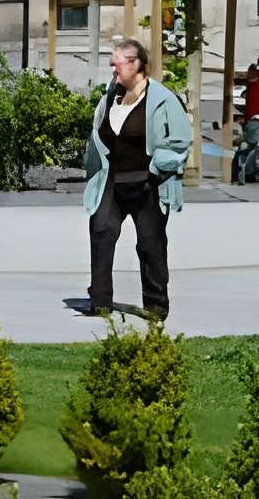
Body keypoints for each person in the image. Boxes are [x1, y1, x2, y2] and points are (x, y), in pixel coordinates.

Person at [80, 36, 189, 321]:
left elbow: (180, 143)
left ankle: (156, 307)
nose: (113, 70)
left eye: (117, 65)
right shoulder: (110, 97)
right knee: (101, 232)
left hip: (148, 183)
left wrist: (156, 171)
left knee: (149, 244)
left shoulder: (163, 99)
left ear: (136, 64)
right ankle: (100, 302)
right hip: (112, 181)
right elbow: (100, 135)